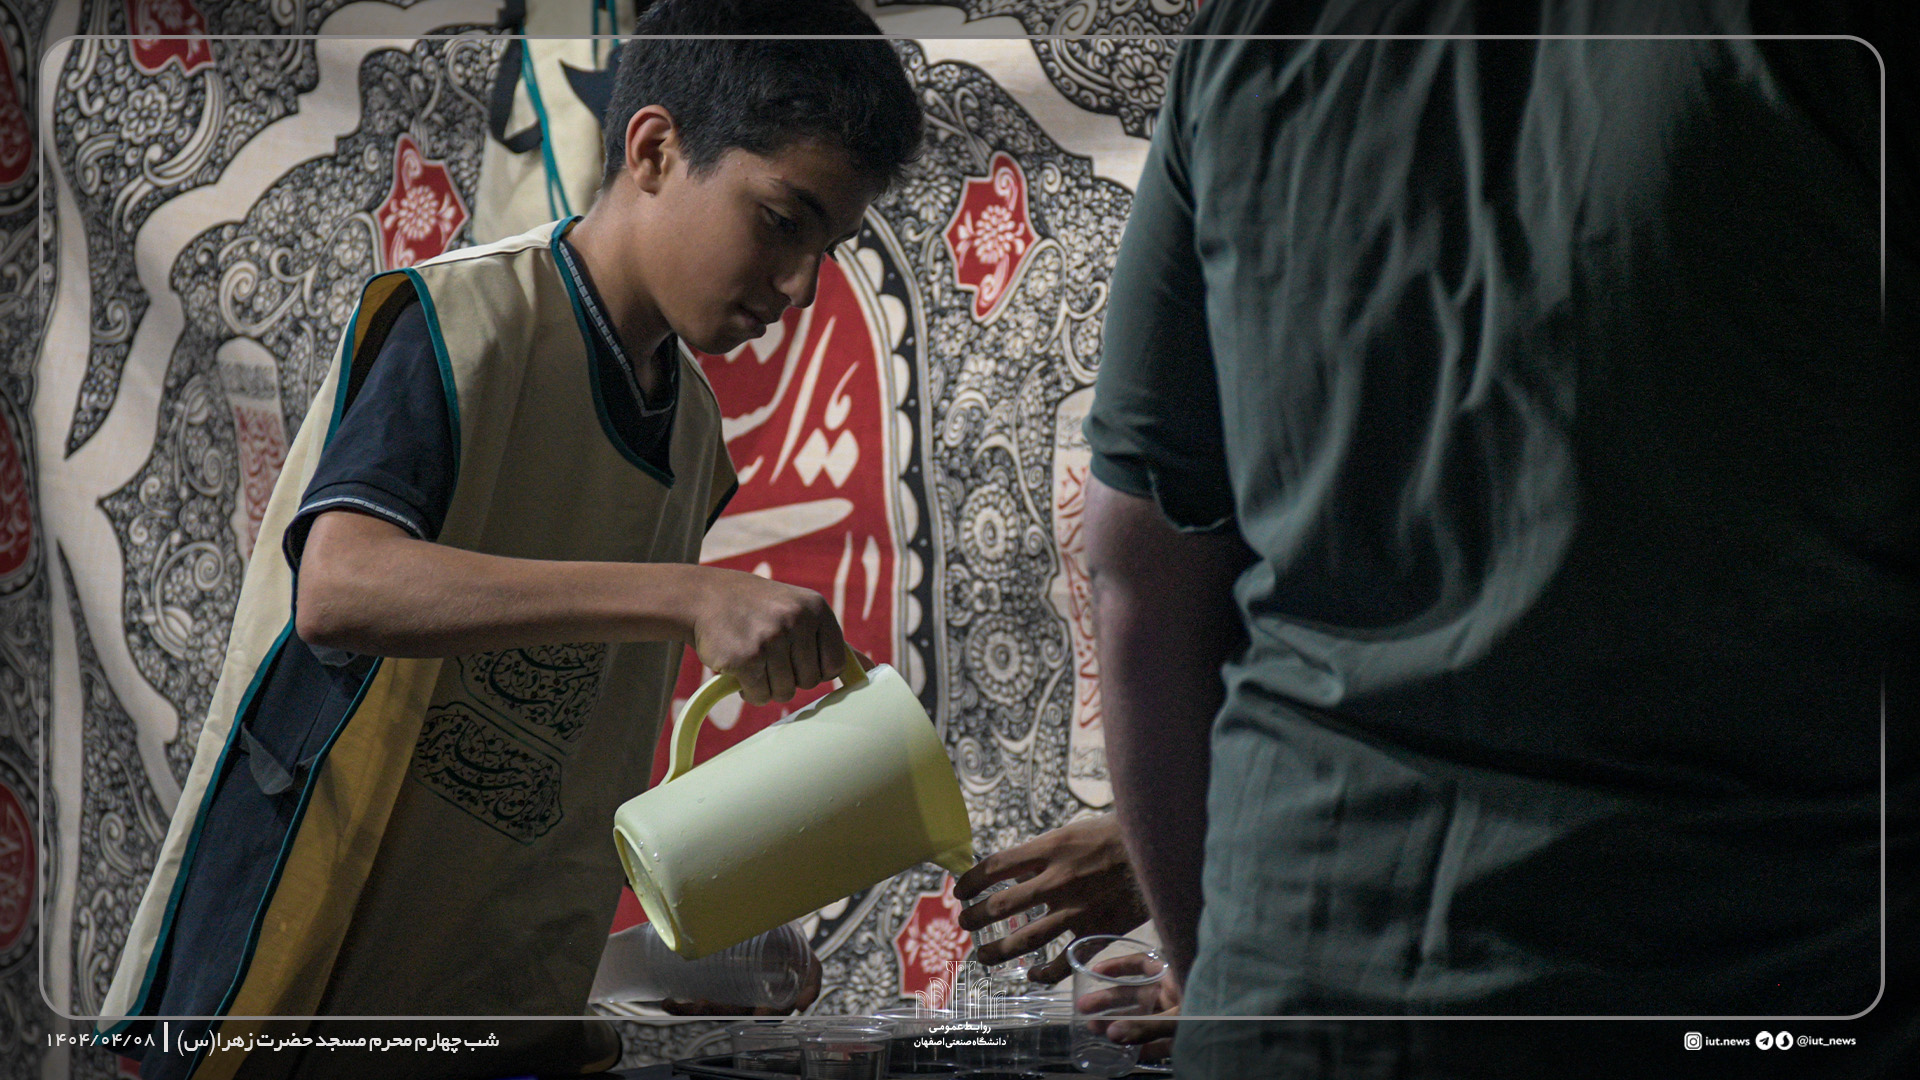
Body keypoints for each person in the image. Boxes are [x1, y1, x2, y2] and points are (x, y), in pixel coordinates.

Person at [1084, 1, 1913, 1076]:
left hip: (1303, 993)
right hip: (1748, 982)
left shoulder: (1249, 36)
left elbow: (1140, 576)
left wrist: (1224, 979)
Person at [98, 3, 923, 1077]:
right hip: (297, 977)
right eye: (781, 220)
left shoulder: (693, 434)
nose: (800, 285)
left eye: (826, 248)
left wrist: (634, 967)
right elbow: (340, 588)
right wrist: (683, 595)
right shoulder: (463, 322)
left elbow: (546, 765)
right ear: (654, 150)